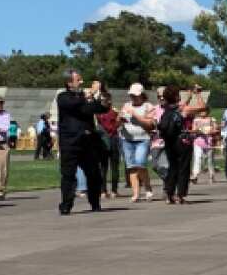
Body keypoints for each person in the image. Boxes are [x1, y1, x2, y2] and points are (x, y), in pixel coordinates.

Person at [56, 70, 110, 215]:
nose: (81, 82)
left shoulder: (85, 99)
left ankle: (95, 202)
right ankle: (66, 204)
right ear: (69, 82)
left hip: (88, 142)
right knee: (68, 175)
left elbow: (102, 108)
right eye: (78, 80)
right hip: (70, 142)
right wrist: (88, 95)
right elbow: (73, 104)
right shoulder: (63, 97)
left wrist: (103, 93)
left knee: (94, 173)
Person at [157, 86, 199, 204]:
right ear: (177, 97)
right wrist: (197, 95)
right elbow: (203, 107)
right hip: (181, 141)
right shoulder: (182, 108)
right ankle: (180, 195)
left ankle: (169, 194)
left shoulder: (165, 109)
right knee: (184, 168)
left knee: (172, 167)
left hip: (169, 142)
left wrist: (189, 96)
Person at [118, 84, 156, 202]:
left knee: (140, 164)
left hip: (142, 139)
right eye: (131, 95)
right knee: (131, 167)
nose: (133, 97)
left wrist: (134, 114)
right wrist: (120, 119)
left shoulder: (148, 106)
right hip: (127, 139)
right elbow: (118, 122)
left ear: (142, 95)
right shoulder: (126, 105)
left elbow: (150, 124)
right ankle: (136, 193)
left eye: (135, 95)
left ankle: (148, 188)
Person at [95, 93, 122, 198]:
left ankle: (103, 191)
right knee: (113, 166)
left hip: (104, 139)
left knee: (104, 167)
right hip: (111, 138)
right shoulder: (113, 112)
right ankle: (113, 191)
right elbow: (116, 125)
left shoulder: (98, 113)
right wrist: (118, 121)